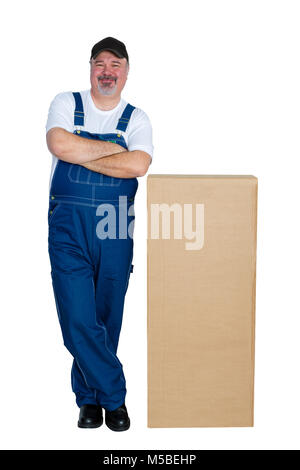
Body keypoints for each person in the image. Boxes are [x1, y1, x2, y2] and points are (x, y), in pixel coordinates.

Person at [46, 37, 153, 431]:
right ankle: (115, 398)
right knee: (77, 316)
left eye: (116, 64)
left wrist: (82, 150)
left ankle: (88, 401)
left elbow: (139, 164)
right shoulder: (65, 103)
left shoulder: (137, 118)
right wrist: (112, 156)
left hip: (115, 222)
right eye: (100, 63)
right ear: (90, 67)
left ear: (126, 71)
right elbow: (58, 143)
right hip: (68, 224)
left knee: (106, 317)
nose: (107, 71)